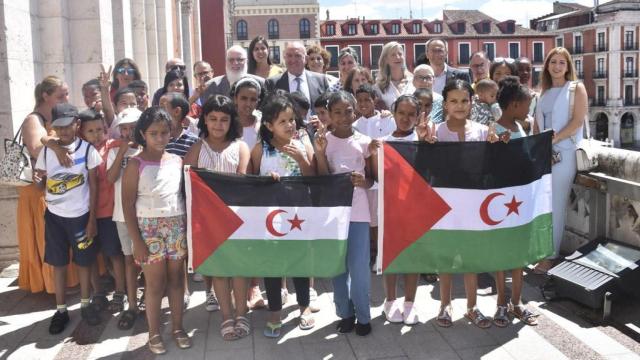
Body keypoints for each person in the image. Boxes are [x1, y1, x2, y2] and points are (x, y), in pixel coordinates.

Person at [122, 107, 191, 354]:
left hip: (176, 227)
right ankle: (153, 333)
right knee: (154, 284)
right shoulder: (135, 164)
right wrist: (136, 241)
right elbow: (127, 205)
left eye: (164, 133)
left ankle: (178, 327)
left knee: (175, 281)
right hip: (148, 230)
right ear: (143, 133)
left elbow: (184, 196)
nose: (160, 138)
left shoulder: (176, 161)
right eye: (154, 133)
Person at [434, 80, 501, 329]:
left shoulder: (483, 131)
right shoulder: (436, 132)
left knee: (471, 256)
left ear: (471, 103)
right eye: (454, 101)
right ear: (445, 104)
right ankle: (445, 304)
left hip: (473, 203)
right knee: (447, 256)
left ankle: (472, 306)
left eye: (464, 100)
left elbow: (490, 166)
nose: (459, 105)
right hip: (445, 204)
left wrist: (495, 148)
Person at [248, 94, 316, 337]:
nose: (290, 125)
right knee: (273, 264)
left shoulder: (303, 143)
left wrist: (301, 159)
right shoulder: (259, 149)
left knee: (300, 261)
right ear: (268, 125)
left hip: (299, 215)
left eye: (292, 120)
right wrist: (265, 182)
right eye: (282, 121)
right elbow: (251, 181)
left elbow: (313, 177)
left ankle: (304, 306)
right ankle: (275, 311)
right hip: (271, 219)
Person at [184, 95, 251, 339]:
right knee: (220, 270)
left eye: (224, 119)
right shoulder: (197, 148)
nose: (218, 125)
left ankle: (242, 313)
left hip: (235, 219)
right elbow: (186, 182)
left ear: (231, 121)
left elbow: (243, 180)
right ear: (204, 120)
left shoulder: (240, 147)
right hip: (209, 222)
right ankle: (226, 316)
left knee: (239, 269)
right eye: (212, 119)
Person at [34, 103, 103, 334]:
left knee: (84, 262)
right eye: (58, 127)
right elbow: (42, 183)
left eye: (68, 125)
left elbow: (94, 186)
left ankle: (85, 304)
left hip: (80, 217)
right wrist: (38, 181)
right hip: (54, 217)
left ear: (77, 124)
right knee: (59, 263)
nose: (63, 131)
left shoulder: (87, 150)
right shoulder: (47, 151)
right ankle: (61, 309)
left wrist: (92, 219)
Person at [315, 91, 375, 336]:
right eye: (337, 112)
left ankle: (364, 315)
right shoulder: (323, 141)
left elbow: (373, 179)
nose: (343, 117)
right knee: (338, 267)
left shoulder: (364, 141)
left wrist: (364, 181)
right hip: (333, 215)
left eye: (348, 111)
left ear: (355, 111)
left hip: (359, 213)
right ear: (328, 115)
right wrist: (319, 153)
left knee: (359, 267)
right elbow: (320, 177)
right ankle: (345, 313)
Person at [376, 95, 435, 325]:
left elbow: (429, 172)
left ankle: (410, 302)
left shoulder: (424, 141)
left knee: (413, 257)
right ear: (393, 112)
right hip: (390, 209)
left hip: (415, 209)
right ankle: (390, 301)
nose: (406, 118)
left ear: (419, 115)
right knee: (391, 257)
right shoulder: (382, 142)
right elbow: (375, 176)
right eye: (402, 112)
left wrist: (423, 143)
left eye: (412, 114)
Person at [18, 76, 79, 295]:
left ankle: (66, 282)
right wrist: (58, 147)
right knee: (49, 241)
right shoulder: (33, 120)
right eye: (60, 95)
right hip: (37, 190)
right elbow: (36, 148)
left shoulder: (57, 117)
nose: (66, 98)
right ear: (45, 96)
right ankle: (52, 284)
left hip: (56, 186)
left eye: (67, 94)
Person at [532, 47, 587, 273]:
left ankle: (550, 256)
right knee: (541, 205)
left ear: (568, 66)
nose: (557, 66)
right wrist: (538, 144)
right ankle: (540, 251)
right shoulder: (541, 93)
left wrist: (552, 140)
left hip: (563, 153)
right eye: (553, 62)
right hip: (543, 153)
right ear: (547, 65)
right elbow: (537, 125)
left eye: (561, 63)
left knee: (555, 203)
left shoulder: (576, 88)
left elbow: (577, 122)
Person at [492, 76, 539, 327]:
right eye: (526, 105)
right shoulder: (494, 130)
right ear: (513, 105)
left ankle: (517, 302)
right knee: (502, 256)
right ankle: (501, 303)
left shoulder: (521, 127)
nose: (529, 110)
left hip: (521, 202)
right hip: (503, 203)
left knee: (519, 256)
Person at [78, 109, 127, 313]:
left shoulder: (112, 146)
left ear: (106, 130)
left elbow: (129, 145)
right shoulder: (78, 151)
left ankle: (121, 290)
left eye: (99, 129)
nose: (96, 134)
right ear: (81, 133)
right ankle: (97, 292)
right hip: (82, 212)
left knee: (114, 253)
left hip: (108, 212)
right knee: (89, 255)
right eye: (90, 131)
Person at [106, 107, 143, 330]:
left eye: (133, 127)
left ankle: (149, 298)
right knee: (129, 260)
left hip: (146, 214)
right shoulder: (114, 151)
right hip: (122, 215)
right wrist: (121, 152)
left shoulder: (149, 149)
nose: (128, 132)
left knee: (149, 261)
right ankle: (132, 304)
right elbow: (110, 179)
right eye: (124, 128)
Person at [265, 42, 330, 110]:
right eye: (289, 56)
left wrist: (320, 119)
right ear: (284, 58)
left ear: (306, 59)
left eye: (298, 56)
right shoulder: (272, 83)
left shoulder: (321, 80)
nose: (293, 60)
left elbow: (328, 108)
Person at [375, 42, 413, 110]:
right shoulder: (378, 87)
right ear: (385, 59)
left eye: (400, 54)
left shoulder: (413, 81)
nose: (398, 57)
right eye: (393, 55)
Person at [231, 77, 265, 150]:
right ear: (235, 99)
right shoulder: (226, 121)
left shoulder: (262, 123)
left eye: (253, 99)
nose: (248, 104)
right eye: (244, 98)